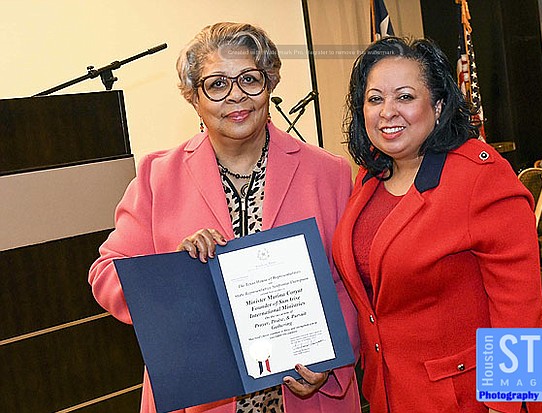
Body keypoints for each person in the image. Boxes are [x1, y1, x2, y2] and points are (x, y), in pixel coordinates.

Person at [89, 22, 360, 413]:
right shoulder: (156, 176)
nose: (236, 95)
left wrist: (331, 360)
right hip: (201, 397)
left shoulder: (328, 172)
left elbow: (352, 285)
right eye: (217, 84)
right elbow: (106, 275)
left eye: (250, 79)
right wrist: (174, 272)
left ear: (270, 83)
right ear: (194, 98)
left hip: (307, 397)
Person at [332, 37, 542, 413]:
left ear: (437, 106)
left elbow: (522, 309)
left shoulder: (481, 175)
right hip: (389, 392)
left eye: (405, 97)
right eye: (374, 99)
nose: (387, 112)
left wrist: (506, 406)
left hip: (470, 398)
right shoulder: (370, 174)